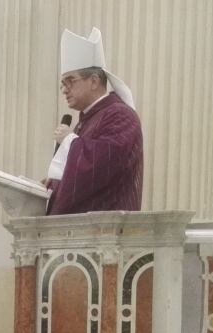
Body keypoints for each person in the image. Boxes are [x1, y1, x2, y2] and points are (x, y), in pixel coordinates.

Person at [46, 27, 142, 216]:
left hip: (106, 230)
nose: (64, 90)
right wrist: (52, 185)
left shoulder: (120, 115)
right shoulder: (87, 120)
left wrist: (69, 142)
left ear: (94, 81)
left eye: (70, 81)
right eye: (63, 84)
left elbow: (101, 165)